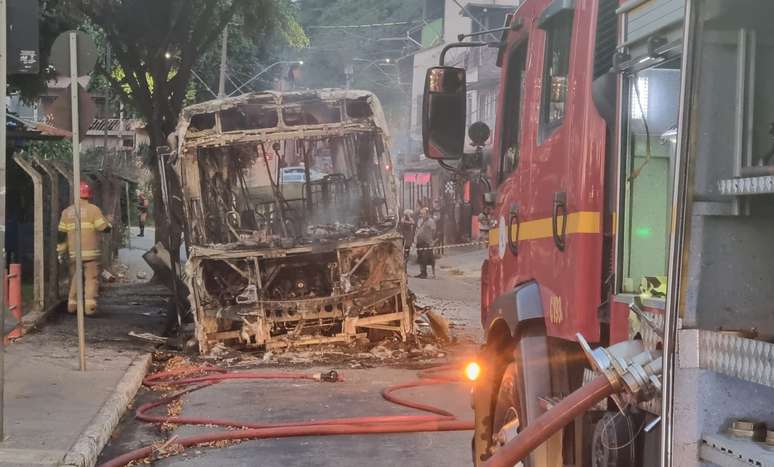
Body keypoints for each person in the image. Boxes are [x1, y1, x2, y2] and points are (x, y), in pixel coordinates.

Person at [57, 181, 112, 315]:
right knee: (91, 278)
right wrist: (109, 222)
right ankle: (89, 307)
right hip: (91, 254)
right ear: (89, 195)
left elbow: (61, 234)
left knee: (75, 277)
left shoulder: (66, 211)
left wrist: (60, 251)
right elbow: (103, 228)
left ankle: (72, 304)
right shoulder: (94, 209)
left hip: (74, 253)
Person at [414, 207, 436, 279]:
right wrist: (415, 239)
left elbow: (433, 231)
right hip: (419, 241)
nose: (421, 215)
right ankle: (422, 272)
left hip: (427, 242)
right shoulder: (420, 220)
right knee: (420, 257)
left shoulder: (431, 221)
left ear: (427, 214)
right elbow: (417, 229)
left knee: (426, 258)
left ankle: (426, 274)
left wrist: (430, 240)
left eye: (423, 214)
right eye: (421, 214)